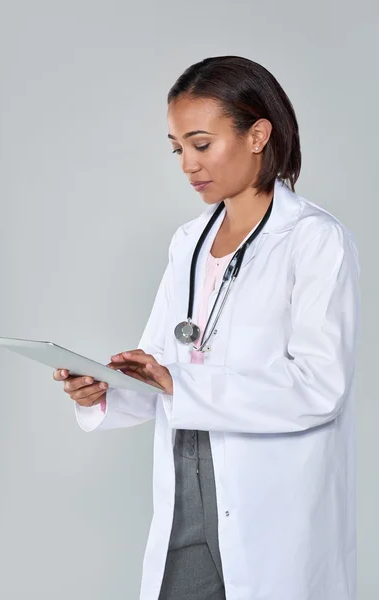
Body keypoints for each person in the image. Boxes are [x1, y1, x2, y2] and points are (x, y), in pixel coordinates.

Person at [53, 56, 361, 600]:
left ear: (258, 135)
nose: (187, 164)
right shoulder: (188, 242)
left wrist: (180, 383)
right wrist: (106, 387)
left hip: (271, 501)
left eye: (201, 143)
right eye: (177, 148)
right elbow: (160, 364)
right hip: (186, 490)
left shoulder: (314, 240)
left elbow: (320, 387)